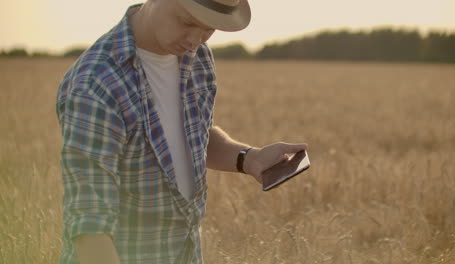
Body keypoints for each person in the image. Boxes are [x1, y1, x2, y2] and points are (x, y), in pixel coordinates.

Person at [56, 0, 308, 263]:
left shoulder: (198, 57)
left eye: (209, 29)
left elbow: (193, 137)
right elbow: (90, 229)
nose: (194, 40)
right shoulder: (95, 84)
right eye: (187, 22)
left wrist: (249, 158)